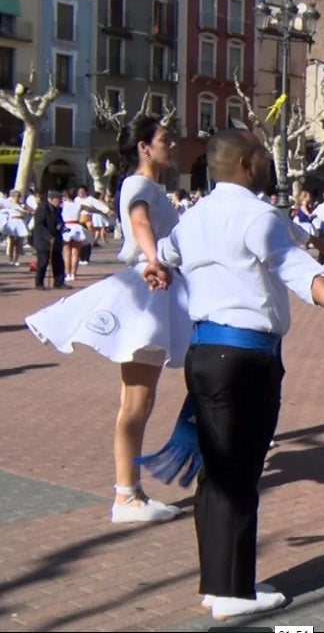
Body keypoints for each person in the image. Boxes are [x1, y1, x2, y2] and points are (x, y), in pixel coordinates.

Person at [139, 129, 324, 622]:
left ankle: (220, 581)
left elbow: (170, 252)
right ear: (247, 164)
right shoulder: (259, 217)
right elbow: (299, 269)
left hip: (206, 355)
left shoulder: (195, 216)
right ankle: (231, 592)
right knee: (238, 472)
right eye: (265, 156)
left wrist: (159, 266)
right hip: (243, 359)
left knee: (219, 471)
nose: (270, 164)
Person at [26, 117, 192, 523]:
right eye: (164, 139)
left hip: (157, 289)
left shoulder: (153, 187)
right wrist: (154, 258)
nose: (171, 145)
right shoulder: (139, 185)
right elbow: (138, 221)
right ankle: (125, 495)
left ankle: (131, 490)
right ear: (143, 147)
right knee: (136, 399)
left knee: (141, 398)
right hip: (147, 292)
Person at [31, 190, 66, 290]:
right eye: (58, 200)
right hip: (43, 240)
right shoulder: (41, 209)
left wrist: (62, 226)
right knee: (43, 262)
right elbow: (39, 225)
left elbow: (59, 221)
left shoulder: (58, 209)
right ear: (51, 200)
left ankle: (59, 282)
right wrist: (48, 237)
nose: (60, 202)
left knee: (58, 262)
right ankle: (39, 283)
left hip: (56, 239)